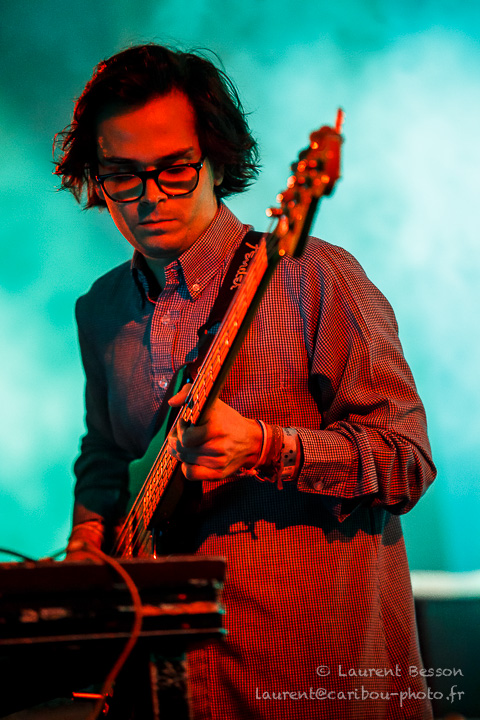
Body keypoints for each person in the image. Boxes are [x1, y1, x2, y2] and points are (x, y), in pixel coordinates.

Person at [55, 43, 436, 719]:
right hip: (160, 686)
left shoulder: (314, 276)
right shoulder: (101, 309)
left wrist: (268, 446)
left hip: (308, 684)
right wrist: (88, 538)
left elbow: (407, 462)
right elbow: (107, 455)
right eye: (122, 174)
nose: (149, 196)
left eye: (175, 169)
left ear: (218, 157)